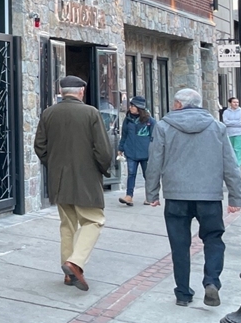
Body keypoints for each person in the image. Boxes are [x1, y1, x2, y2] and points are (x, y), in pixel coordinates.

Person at [145, 88, 241, 307]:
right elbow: (230, 164)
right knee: (214, 239)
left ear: (179, 104)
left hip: (176, 195)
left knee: (179, 245)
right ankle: (211, 282)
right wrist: (236, 197)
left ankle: (182, 292)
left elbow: (155, 162)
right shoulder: (217, 127)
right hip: (209, 196)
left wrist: (152, 193)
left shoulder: (164, 126)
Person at [34, 75, 114, 292]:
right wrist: (103, 169)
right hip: (86, 178)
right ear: (81, 92)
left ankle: (69, 276)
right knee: (94, 220)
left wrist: (53, 164)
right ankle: (75, 263)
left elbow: (40, 146)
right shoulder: (91, 113)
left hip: (59, 179)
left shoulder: (48, 113)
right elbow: (104, 151)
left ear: (62, 92)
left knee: (67, 225)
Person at [117, 96, 154, 206]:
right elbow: (124, 135)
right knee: (131, 174)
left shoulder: (150, 121)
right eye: (131, 105)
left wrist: (154, 151)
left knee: (147, 175)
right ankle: (129, 196)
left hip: (146, 153)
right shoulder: (127, 120)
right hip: (131, 151)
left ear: (139, 108)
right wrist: (120, 148)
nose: (131, 107)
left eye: (133, 106)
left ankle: (150, 197)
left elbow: (155, 137)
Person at [222, 96, 241, 166]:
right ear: (230, 103)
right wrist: (236, 123)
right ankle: (231, 164)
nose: (236, 104)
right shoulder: (226, 112)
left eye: (237, 102)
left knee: (237, 149)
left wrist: (231, 123)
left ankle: (237, 164)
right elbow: (225, 122)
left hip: (239, 133)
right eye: (234, 102)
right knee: (230, 150)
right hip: (229, 133)